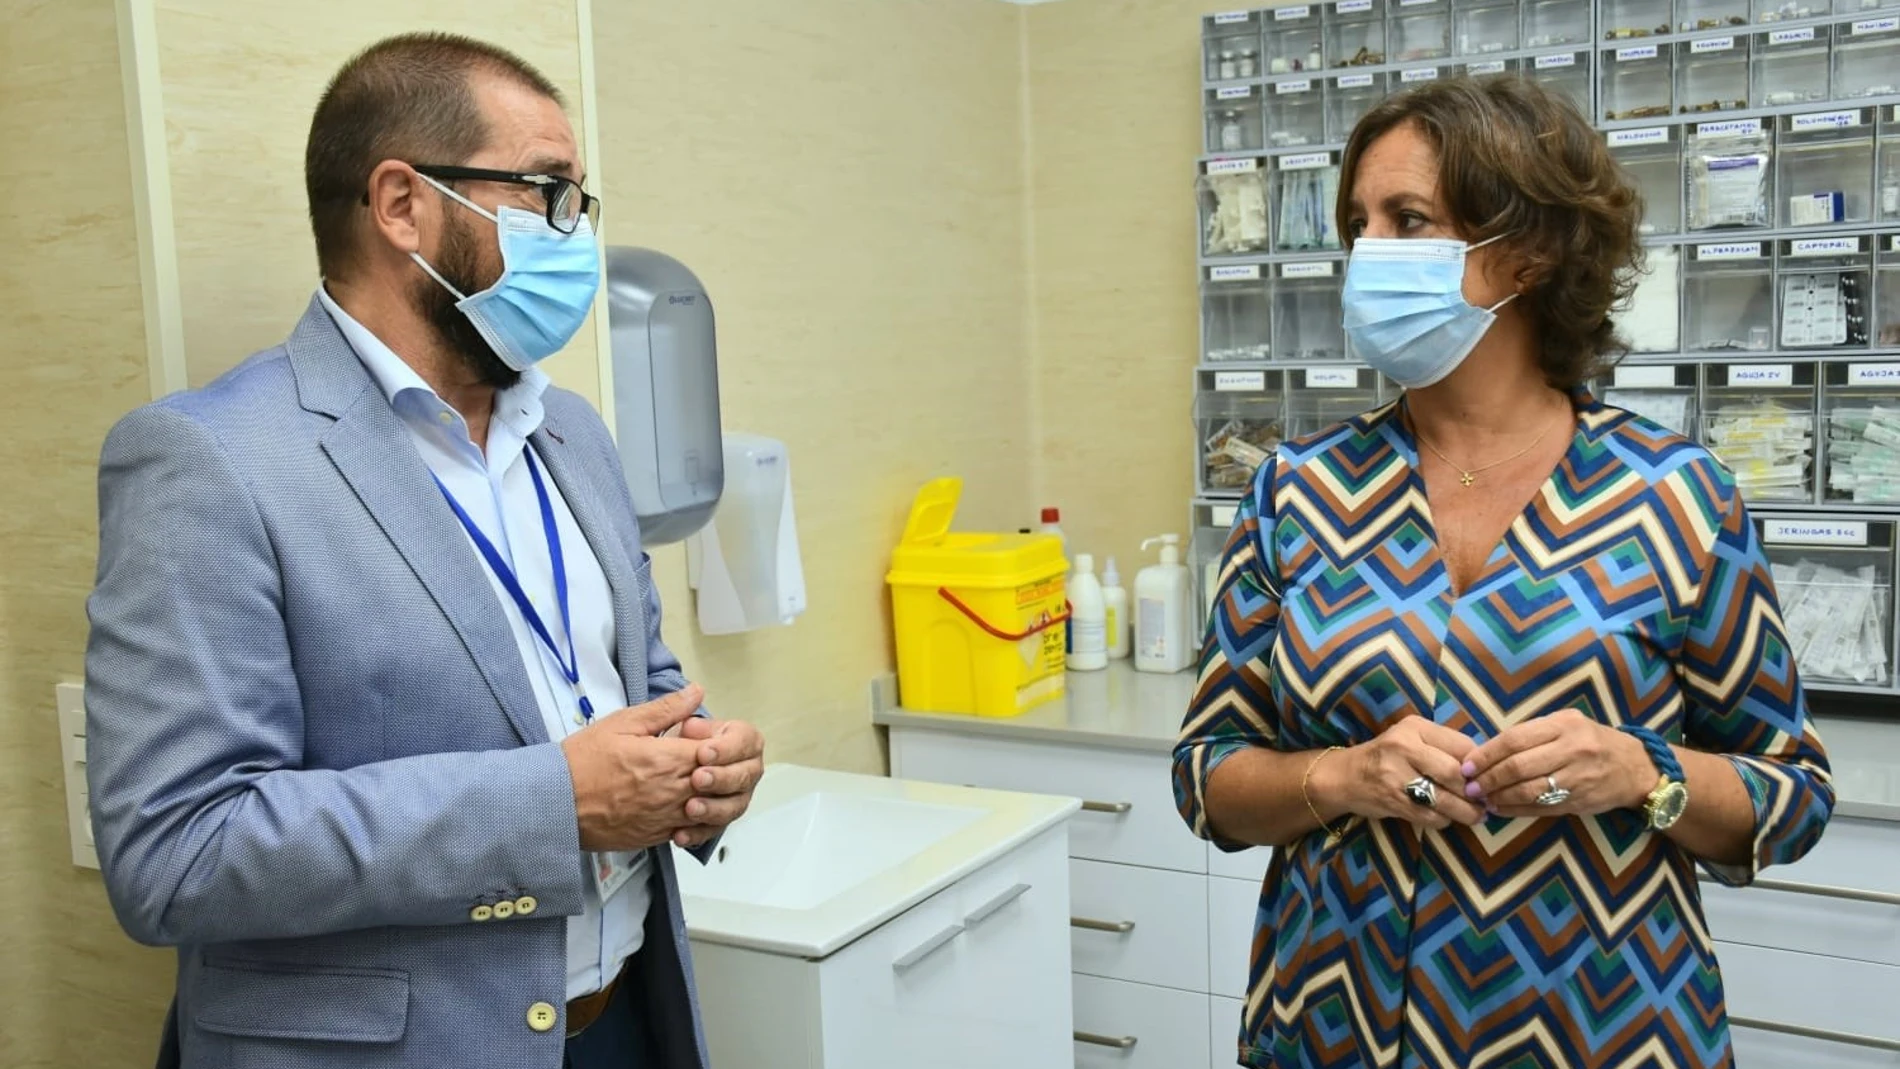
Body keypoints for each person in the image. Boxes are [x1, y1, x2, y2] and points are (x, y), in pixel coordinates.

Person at [83, 33, 762, 1069]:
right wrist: (556, 800)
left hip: (626, 1014)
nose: (573, 236)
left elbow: (637, 684)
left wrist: (700, 764)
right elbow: (178, 850)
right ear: (403, 205)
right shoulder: (208, 461)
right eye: (547, 192)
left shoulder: (570, 430)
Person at [1173, 75, 1833, 1069]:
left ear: (1523, 252)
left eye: (1408, 221)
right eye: (1359, 226)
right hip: (1330, 1024)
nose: (1367, 257)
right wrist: (1341, 775)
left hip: (1600, 1029)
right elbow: (1207, 774)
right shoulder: (1294, 493)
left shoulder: (1680, 499)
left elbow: (1790, 796)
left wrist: (1638, 769)